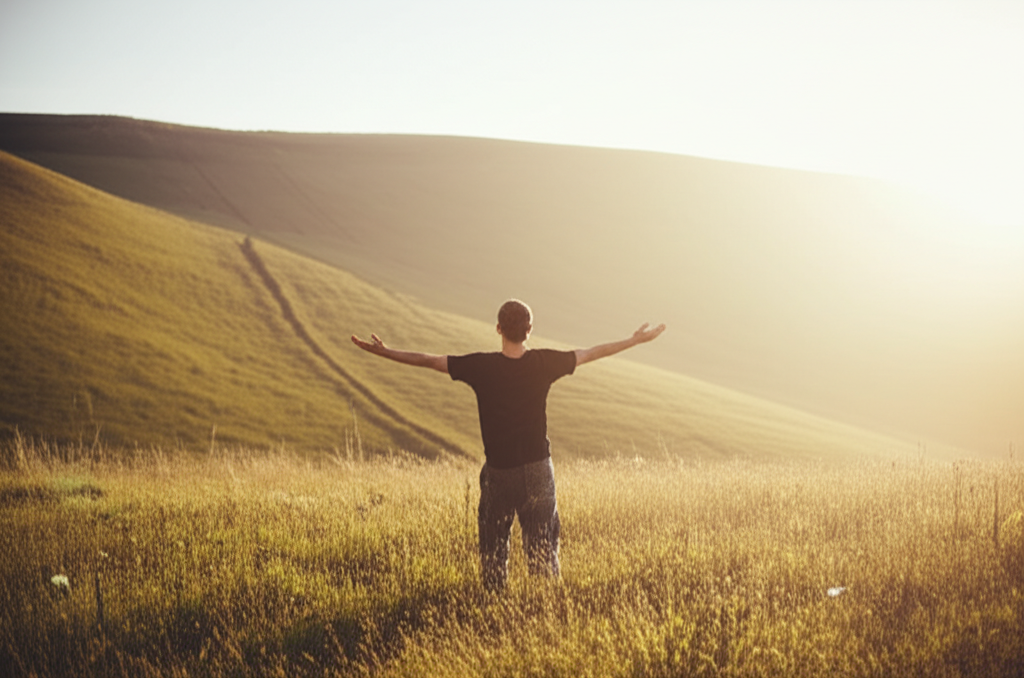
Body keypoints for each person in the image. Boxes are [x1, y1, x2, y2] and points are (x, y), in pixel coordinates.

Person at [351, 299, 665, 590]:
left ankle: (494, 604)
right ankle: (545, 609)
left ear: (499, 329)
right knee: (543, 549)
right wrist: (634, 340)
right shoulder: (544, 363)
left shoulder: (480, 366)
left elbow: (429, 361)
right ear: (529, 330)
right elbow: (591, 352)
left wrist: (386, 352)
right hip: (538, 469)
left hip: (499, 471)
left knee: (493, 549)